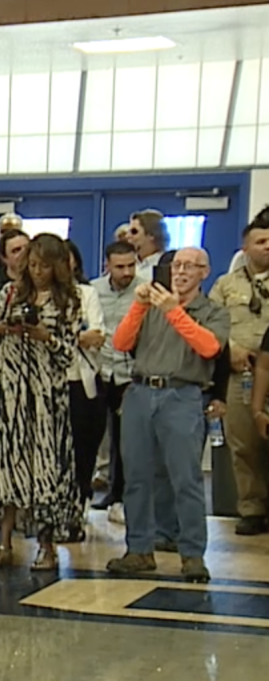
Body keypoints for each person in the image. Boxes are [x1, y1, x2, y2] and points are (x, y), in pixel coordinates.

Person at [106, 247, 229, 582]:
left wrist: (175, 312)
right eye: (177, 265)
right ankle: (139, 549)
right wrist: (138, 306)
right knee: (137, 477)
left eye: (191, 266)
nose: (181, 271)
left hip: (182, 394)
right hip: (140, 391)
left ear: (205, 272)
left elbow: (209, 347)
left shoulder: (214, 312)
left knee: (186, 479)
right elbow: (120, 342)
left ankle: (192, 554)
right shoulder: (151, 307)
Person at [0, 233, 82, 570]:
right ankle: (4, 544)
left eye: (45, 267)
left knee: (45, 473)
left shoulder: (68, 302)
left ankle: (46, 547)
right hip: (8, 397)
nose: (37, 272)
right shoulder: (9, 294)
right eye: (32, 265)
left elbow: (69, 353)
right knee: (6, 470)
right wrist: (4, 327)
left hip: (46, 401)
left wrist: (45, 337)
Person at [207, 211, 269, 535]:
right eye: (260, 242)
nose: (267, 247)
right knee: (243, 444)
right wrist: (230, 350)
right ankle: (252, 508)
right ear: (245, 248)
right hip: (240, 373)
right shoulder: (225, 285)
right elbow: (210, 325)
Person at [91, 241, 143, 517]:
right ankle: (97, 491)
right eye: (120, 266)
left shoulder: (145, 290)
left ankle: (121, 495)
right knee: (97, 435)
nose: (126, 272)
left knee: (125, 440)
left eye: (131, 265)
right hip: (100, 370)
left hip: (130, 374)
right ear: (107, 266)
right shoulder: (93, 290)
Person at [65, 241, 107, 527]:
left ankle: (81, 501)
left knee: (84, 448)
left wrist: (63, 338)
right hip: (51, 383)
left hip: (84, 381)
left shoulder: (87, 293)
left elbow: (97, 334)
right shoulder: (37, 296)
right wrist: (73, 336)